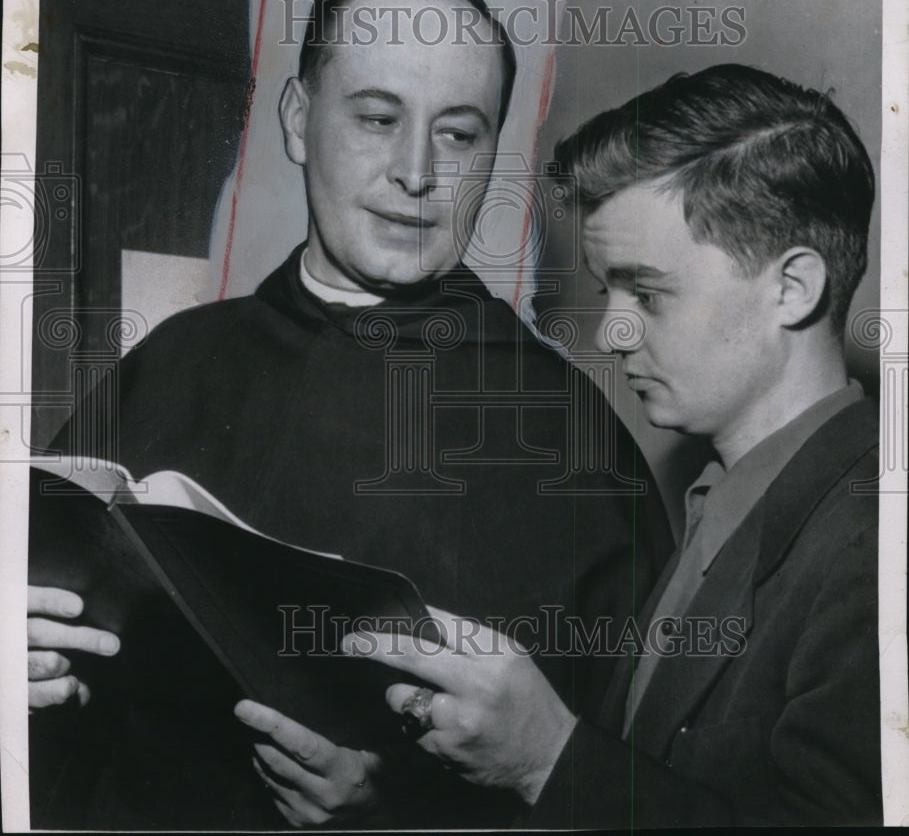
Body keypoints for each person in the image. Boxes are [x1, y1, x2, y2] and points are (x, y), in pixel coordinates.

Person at [27, 0, 670, 829]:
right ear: (298, 121)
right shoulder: (176, 357)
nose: (416, 173)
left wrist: (396, 813)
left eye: (457, 135)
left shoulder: (568, 437)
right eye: (376, 119)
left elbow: (618, 786)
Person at [351, 63, 882, 826]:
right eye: (609, 292)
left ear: (791, 289)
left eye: (648, 292)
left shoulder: (875, 542)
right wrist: (384, 795)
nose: (611, 331)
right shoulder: (724, 500)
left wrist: (546, 758)